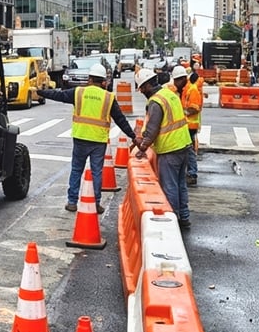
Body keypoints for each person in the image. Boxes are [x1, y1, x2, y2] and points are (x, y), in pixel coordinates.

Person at [40, 63, 137, 214]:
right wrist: (133, 136)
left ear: (90, 79)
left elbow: (57, 95)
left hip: (80, 138)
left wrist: (40, 92)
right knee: (97, 172)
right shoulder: (108, 97)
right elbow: (120, 120)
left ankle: (72, 202)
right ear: (103, 81)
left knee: (76, 170)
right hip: (98, 141)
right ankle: (96, 203)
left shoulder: (78, 92)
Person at [133, 68, 192, 228]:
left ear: (146, 86)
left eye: (141, 88)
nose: (142, 92)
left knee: (170, 186)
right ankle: (184, 217)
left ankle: (172, 221)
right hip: (184, 145)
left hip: (170, 149)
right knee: (180, 184)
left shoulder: (156, 101)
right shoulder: (170, 94)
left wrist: (142, 148)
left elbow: (152, 129)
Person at [175, 66, 203, 186]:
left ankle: (192, 174)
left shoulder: (192, 90)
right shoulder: (185, 90)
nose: (175, 84)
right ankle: (189, 172)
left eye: (177, 81)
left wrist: (182, 112)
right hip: (186, 125)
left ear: (182, 79)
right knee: (186, 151)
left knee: (189, 151)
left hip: (190, 126)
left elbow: (195, 108)